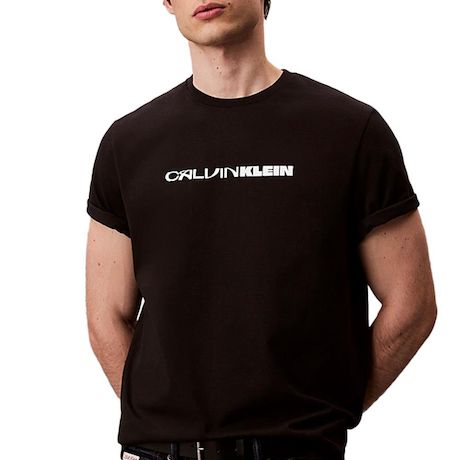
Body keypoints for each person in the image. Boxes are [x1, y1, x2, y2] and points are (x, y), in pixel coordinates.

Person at [85, 1, 437, 459]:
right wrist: (162, 425)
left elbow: (412, 305)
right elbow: (107, 316)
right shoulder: (128, 144)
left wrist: (322, 417)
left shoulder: (351, 132)